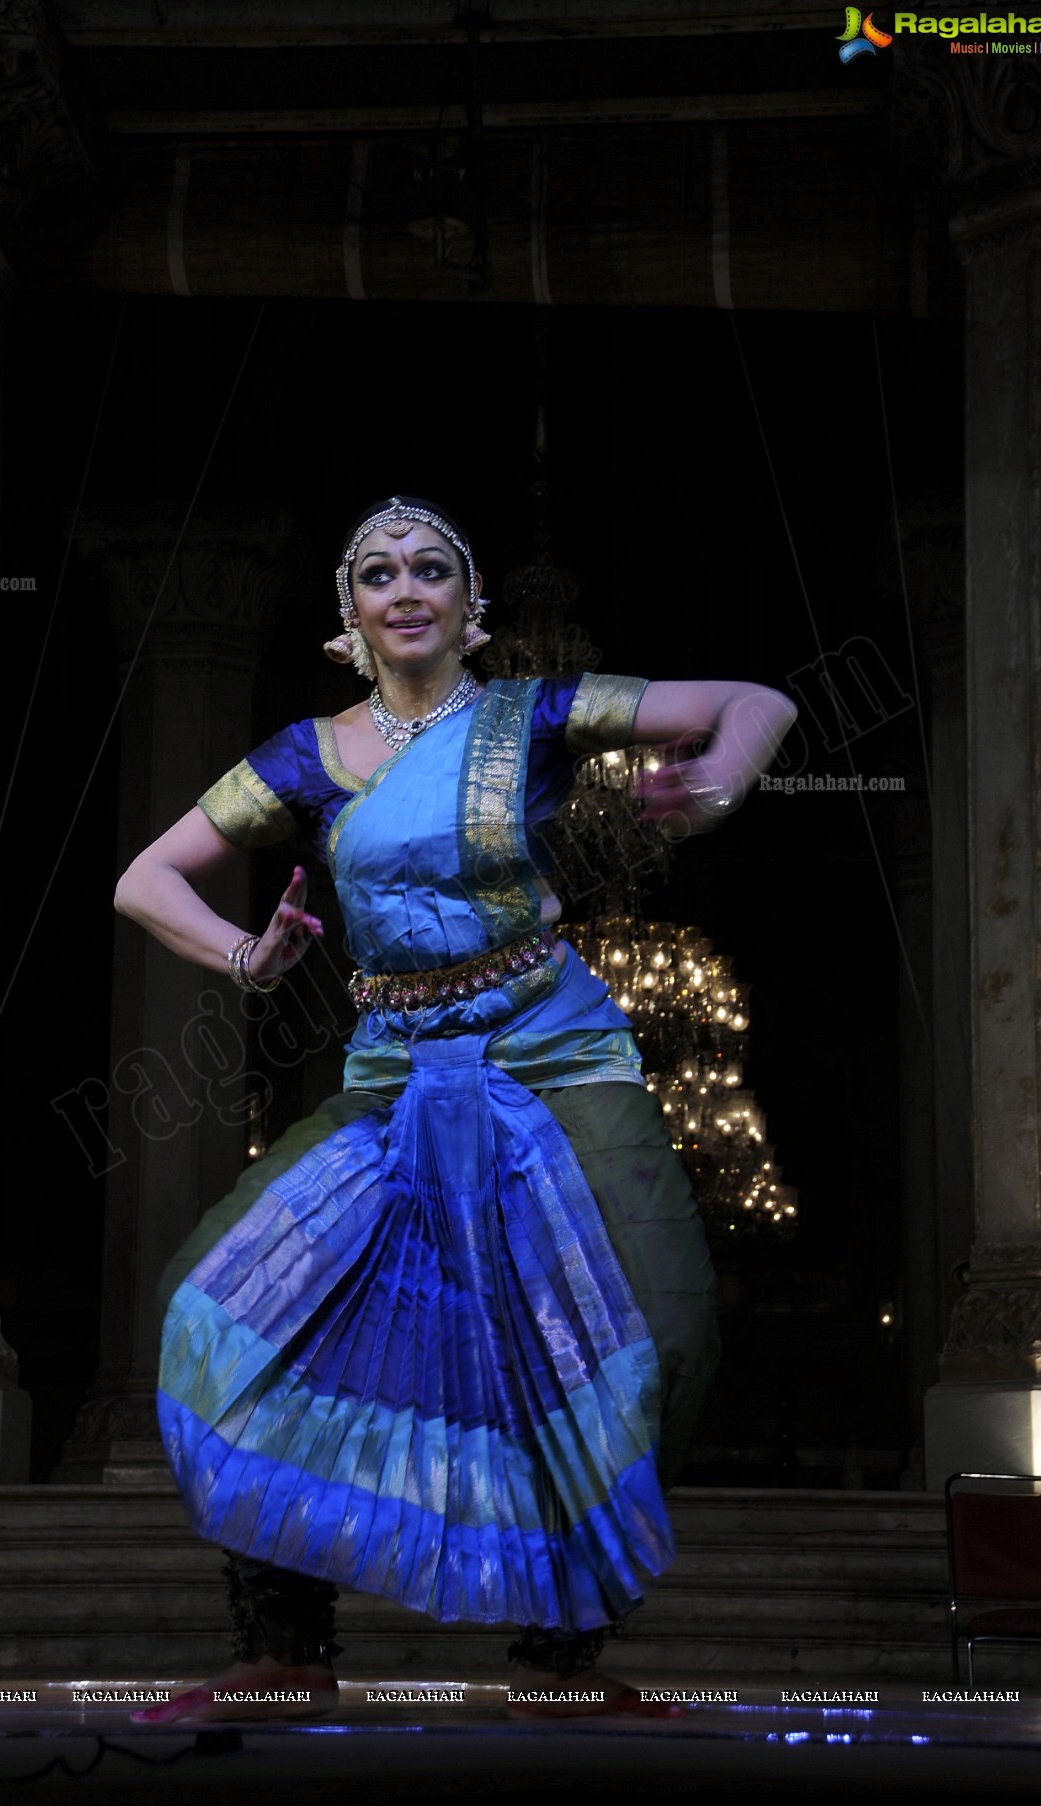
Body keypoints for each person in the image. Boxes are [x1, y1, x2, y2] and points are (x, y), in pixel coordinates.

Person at [114, 495, 797, 1722]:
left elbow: (757, 701)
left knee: (663, 1326)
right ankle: (284, 1642)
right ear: (350, 617)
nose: (406, 585)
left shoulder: (529, 714)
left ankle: (558, 1657)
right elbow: (143, 879)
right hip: (392, 1076)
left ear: (471, 610)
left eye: (432, 567)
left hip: (553, 1054)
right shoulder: (305, 758)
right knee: (214, 1308)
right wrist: (242, 959)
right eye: (378, 572)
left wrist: (718, 780)